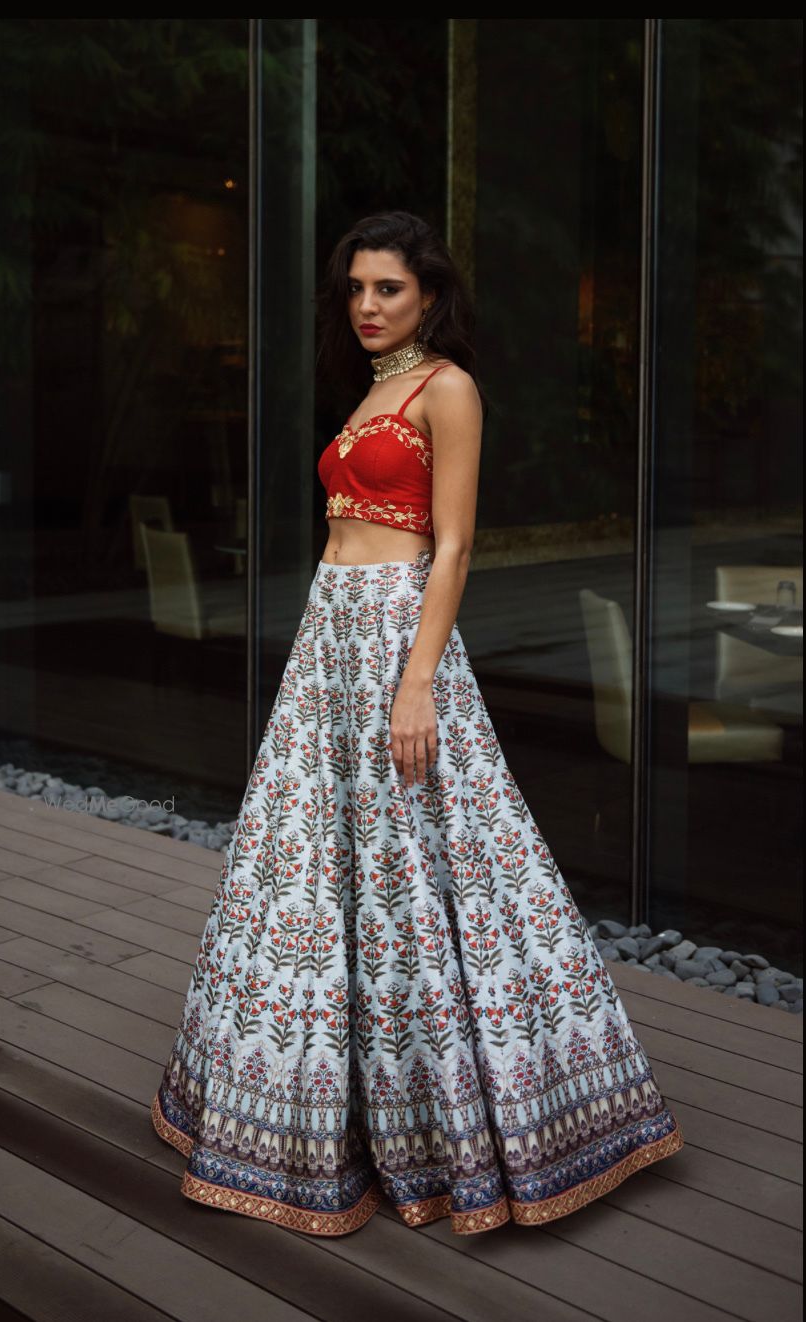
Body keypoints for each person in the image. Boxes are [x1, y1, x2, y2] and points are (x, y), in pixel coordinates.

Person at [151, 209, 684, 1236]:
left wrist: (416, 681)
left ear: (429, 294)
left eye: (386, 288)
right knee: (306, 864)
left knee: (436, 863)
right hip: (328, 638)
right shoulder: (372, 389)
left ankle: (481, 1120)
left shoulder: (446, 389)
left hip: (398, 632)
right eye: (354, 288)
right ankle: (311, 1110)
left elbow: (454, 544)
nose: (364, 304)